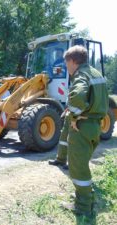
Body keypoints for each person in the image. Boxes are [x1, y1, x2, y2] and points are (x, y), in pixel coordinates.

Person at [59, 45, 109, 217]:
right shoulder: (96, 73)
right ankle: (85, 196)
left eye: (67, 64)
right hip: (96, 126)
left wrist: (73, 117)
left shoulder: (81, 75)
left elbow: (78, 97)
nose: (67, 68)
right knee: (83, 164)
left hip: (82, 127)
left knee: (78, 168)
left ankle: (83, 207)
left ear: (73, 61)